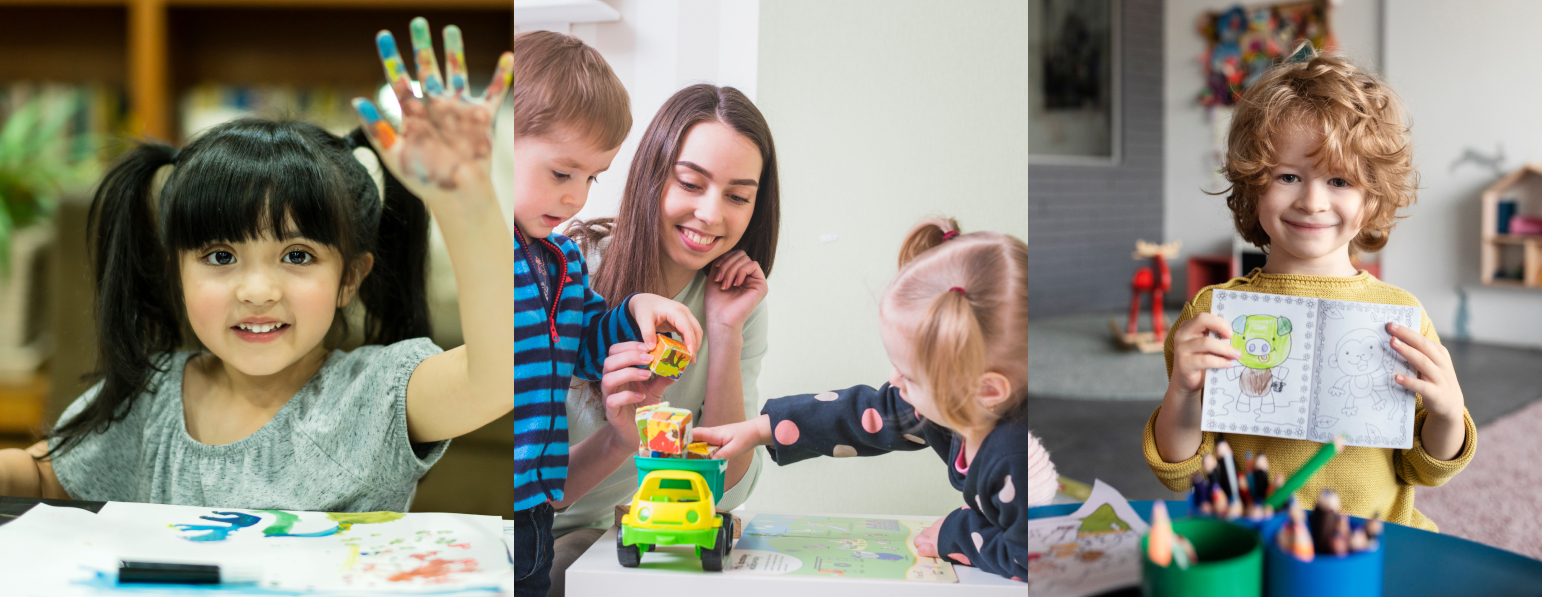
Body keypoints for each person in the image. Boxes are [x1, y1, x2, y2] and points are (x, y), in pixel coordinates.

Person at [0, 19, 517, 512]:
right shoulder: (149, 399)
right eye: (221, 257)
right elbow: (43, 477)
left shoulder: (373, 396)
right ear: (176, 271)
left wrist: (465, 204)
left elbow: (497, 378)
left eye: (297, 256)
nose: (257, 290)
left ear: (350, 278)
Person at [1146, 44, 1475, 531]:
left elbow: (1423, 468)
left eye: (1340, 180)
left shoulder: (1401, 314)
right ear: (1254, 184)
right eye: (1288, 176)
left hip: (1369, 541)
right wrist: (1182, 392)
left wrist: (1448, 411)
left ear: (1372, 194)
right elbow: (1183, 471)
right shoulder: (1213, 311)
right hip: (1253, 537)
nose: (1313, 201)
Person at [694, 217, 1028, 581]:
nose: (893, 380)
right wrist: (760, 429)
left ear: (988, 390)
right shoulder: (957, 403)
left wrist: (957, 533)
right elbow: (867, 415)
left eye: (910, 376)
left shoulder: (1017, 457)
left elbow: (1027, 558)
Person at [548, 84, 777, 596]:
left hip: (633, 537)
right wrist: (619, 433)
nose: (712, 214)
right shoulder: (568, 271)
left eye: (738, 197)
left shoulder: (736, 302)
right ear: (653, 176)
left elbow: (729, 489)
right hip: (550, 535)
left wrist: (725, 331)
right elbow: (534, 485)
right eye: (691, 184)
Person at [505, 31, 702, 597]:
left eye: (592, 178)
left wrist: (637, 309)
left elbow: (589, 341)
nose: (576, 199)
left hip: (536, 514)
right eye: (562, 173)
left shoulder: (561, 259)